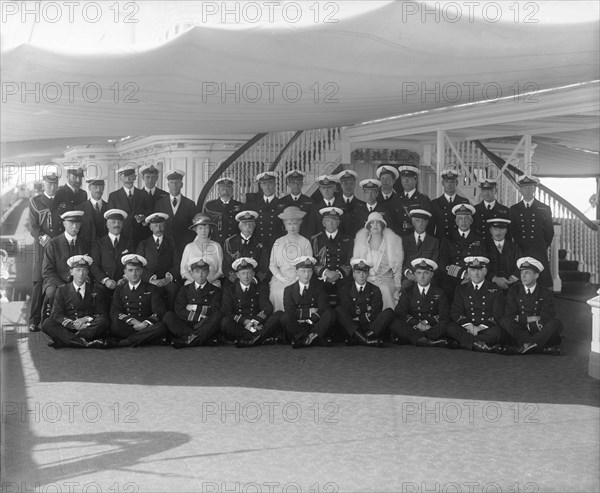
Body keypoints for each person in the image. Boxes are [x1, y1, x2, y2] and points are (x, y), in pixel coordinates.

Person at [41, 255, 109, 349]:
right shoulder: (62, 290)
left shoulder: (96, 290)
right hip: (69, 327)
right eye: (78, 270)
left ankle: (67, 340)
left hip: (87, 327)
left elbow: (101, 313)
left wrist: (85, 319)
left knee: (104, 321)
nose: (81, 274)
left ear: (88, 272)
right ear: (71, 272)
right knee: (47, 323)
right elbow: (57, 314)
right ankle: (85, 343)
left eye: (84, 270)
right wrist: (73, 325)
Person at [500, 257, 563, 355]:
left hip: (537, 328)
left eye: (527, 272)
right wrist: (533, 318)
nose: (523, 276)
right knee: (504, 321)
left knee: (556, 324)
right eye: (521, 273)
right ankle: (537, 345)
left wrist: (524, 320)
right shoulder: (514, 291)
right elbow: (510, 314)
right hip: (519, 329)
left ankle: (527, 344)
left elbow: (546, 317)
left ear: (536, 275)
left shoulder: (545, 293)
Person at [220, 257, 282, 347]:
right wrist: (244, 321)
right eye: (243, 273)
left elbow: (267, 308)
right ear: (237, 275)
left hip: (257, 323)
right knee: (225, 322)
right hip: (240, 325)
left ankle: (248, 339)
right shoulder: (229, 290)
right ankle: (258, 338)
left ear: (253, 274)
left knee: (279, 314)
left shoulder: (260, 288)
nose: (246, 276)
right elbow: (226, 311)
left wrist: (254, 322)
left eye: (249, 273)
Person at [390, 258, 452, 347]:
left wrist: (427, 323)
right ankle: (429, 340)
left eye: (426, 273)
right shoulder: (408, 291)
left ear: (432, 275)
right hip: (413, 326)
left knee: (447, 324)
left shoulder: (439, 292)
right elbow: (400, 311)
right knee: (394, 322)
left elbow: (444, 314)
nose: (422, 277)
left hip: (430, 327)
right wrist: (417, 324)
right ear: (414, 274)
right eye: (419, 273)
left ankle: (415, 339)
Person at [109, 254, 168, 347]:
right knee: (115, 326)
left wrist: (144, 324)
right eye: (130, 270)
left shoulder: (151, 288)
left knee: (161, 327)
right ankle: (147, 339)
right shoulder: (120, 289)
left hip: (146, 324)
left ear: (142, 271)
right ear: (125, 272)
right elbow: (115, 311)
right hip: (129, 324)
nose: (134, 274)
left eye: (137, 270)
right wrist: (133, 321)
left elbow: (159, 310)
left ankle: (128, 341)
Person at [447, 256, 504, 352]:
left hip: (486, 328)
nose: (476, 273)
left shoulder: (495, 289)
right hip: (467, 328)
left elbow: (498, 313)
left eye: (480, 269)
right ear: (468, 272)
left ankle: (468, 343)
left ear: (485, 271)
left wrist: (481, 327)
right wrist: (470, 326)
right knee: (450, 327)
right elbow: (456, 311)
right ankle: (480, 344)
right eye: (473, 270)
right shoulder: (461, 289)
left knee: (498, 332)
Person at [28, 167, 62, 331]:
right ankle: (34, 320)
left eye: (55, 184)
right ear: (44, 184)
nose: (52, 187)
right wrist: (45, 239)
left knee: (55, 281)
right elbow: (33, 227)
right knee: (38, 282)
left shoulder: (62, 201)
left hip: (59, 248)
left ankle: (49, 320)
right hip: (42, 248)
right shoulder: (35, 201)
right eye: (49, 184)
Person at [164, 257, 223, 348]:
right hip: (188, 324)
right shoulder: (184, 289)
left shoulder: (216, 290)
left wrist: (193, 307)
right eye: (197, 271)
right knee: (168, 316)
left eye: (204, 271)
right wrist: (199, 317)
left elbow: (214, 310)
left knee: (218, 316)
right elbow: (179, 310)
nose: (200, 274)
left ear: (208, 272)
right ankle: (200, 338)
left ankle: (188, 339)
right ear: (191, 273)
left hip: (205, 324)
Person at [335, 259, 394, 347]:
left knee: (389, 312)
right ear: (353, 274)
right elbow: (348, 310)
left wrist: (359, 317)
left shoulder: (375, 289)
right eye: (358, 272)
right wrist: (366, 308)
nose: (361, 276)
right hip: (352, 325)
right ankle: (366, 340)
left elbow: (376, 311)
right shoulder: (345, 289)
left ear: (368, 274)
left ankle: (359, 339)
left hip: (369, 326)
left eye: (364, 273)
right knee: (338, 310)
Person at [509, 174, 554, 287]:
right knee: (521, 283)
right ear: (520, 189)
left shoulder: (544, 208)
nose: (528, 190)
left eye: (530, 187)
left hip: (538, 250)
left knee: (541, 284)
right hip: (521, 250)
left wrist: (541, 246)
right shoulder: (514, 209)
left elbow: (549, 233)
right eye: (524, 187)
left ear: (534, 188)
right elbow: (511, 231)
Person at [352, 212, 403, 310]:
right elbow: (356, 265)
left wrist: (397, 285)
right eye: (372, 223)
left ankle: (386, 317)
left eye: (378, 222)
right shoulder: (362, 242)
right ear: (368, 226)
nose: (375, 225)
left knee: (384, 290)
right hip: (367, 279)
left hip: (386, 280)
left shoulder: (391, 242)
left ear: (382, 225)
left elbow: (397, 266)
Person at [283, 256, 336, 348]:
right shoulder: (289, 290)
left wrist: (311, 320)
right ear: (296, 271)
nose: (307, 275)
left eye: (309, 271)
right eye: (303, 271)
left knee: (330, 313)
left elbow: (323, 307)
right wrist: (310, 312)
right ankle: (314, 339)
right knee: (285, 316)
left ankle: (303, 340)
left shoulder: (319, 287)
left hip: (315, 324)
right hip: (298, 324)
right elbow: (289, 310)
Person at [268, 206, 313, 311]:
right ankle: (279, 319)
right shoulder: (278, 242)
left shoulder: (305, 242)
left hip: (301, 278)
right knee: (277, 292)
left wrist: (298, 278)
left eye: (295, 223)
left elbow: (309, 264)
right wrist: (281, 278)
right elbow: (272, 264)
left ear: (299, 224)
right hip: (281, 278)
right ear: (285, 225)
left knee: (298, 292)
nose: (292, 227)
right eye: (289, 224)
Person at [438, 204, 486, 301]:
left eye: (466, 218)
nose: (463, 221)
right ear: (456, 221)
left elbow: (484, 261)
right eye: (460, 218)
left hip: (473, 277)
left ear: (471, 221)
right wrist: (463, 274)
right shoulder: (448, 238)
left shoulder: (479, 239)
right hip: (451, 277)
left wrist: (471, 276)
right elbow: (442, 262)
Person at [41, 211, 86, 312]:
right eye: (71, 223)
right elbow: (47, 271)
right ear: (64, 224)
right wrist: (62, 286)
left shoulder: (84, 243)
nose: (75, 226)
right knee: (52, 292)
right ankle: (55, 319)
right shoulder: (53, 243)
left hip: (78, 280)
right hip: (56, 282)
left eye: (78, 223)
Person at [135, 212, 180, 310]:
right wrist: (152, 280)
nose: (158, 228)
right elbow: (138, 266)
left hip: (166, 279)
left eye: (161, 225)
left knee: (173, 289)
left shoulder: (171, 243)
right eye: (155, 225)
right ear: (150, 227)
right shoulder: (143, 244)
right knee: (153, 291)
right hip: (149, 280)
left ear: (165, 226)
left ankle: (169, 314)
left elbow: (177, 264)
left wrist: (168, 278)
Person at [311, 207, 353, 307]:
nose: (331, 223)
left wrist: (337, 274)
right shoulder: (316, 239)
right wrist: (326, 273)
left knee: (345, 301)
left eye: (334, 221)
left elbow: (350, 260)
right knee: (321, 301)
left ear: (338, 223)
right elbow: (313, 261)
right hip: (322, 277)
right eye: (328, 221)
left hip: (342, 278)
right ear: (323, 223)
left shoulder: (348, 239)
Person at [90, 209, 134, 304]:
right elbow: (94, 266)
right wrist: (106, 280)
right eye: (113, 222)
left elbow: (133, 264)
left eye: (119, 222)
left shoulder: (129, 242)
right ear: (107, 225)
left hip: (124, 283)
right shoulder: (98, 244)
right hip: (103, 284)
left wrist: (125, 278)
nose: (116, 225)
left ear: (122, 225)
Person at [154, 169, 198, 254]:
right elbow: (156, 224)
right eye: (172, 182)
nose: (174, 185)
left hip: (184, 245)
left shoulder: (190, 204)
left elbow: (194, 226)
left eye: (177, 182)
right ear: (168, 185)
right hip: (165, 245)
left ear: (181, 185)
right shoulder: (160, 203)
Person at [107, 166, 152, 247]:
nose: (128, 178)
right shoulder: (114, 196)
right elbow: (111, 219)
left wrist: (143, 218)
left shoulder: (143, 194)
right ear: (121, 178)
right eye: (125, 175)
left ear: (135, 177)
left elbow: (149, 214)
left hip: (141, 237)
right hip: (122, 237)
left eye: (130, 175)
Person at [222, 210, 269, 285]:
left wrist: (255, 279)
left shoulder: (261, 242)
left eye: (250, 224)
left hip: (254, 281)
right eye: (245, 224)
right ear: (239, 226)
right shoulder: (229, 242)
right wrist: (236, 280)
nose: (248, 227)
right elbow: (226, 266)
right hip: (234, 282)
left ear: (254, 226)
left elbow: (264, 266)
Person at [180, 214, 223, 287]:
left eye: (206, 228)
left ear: (210, 229)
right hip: (191, 284)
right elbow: (183, 271)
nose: (203, 231)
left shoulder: (216, 246)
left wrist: (210, 282)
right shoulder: (189, 247)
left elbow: (221, 270)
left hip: (212, 284)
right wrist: (195, 282)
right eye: (200, 228)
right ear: (196, 230)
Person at [401, 209, 440, 290]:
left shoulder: (434, 241)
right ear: (413, 222)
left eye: (423, 221)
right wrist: (407, 273)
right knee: (405, 285)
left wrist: (424, 275)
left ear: (427, 223)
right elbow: (400, 261)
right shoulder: (404, 240)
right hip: (409, 277)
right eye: (417, 221)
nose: (420, 224)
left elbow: (435, 263)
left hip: (427, 277)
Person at [429, 168, 470, 240]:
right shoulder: (434, 203)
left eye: (452, 181)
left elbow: (468, 225)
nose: (449, 184)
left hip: (458, 242)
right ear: (442, 183)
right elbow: (431, 228)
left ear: (456, 183)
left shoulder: (464, 202)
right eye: (447, 181)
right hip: (441, 243)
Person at [249, 171, 285, 251]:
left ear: (275, 184)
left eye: (270, 183)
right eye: (264, 184)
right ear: (261, 186)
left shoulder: (282, 204)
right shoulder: (254, 205)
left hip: (277, 246)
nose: (267, 187)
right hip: (259, 246)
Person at [202, 177, 244, 245]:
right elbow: (205, 226)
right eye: (223, 188)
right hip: (215, 242)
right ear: (218, 190)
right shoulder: (210, 206)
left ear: (232, 190)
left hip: (234, 243)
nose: (225, 191)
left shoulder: (240, 206)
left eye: (228, 188)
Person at [485, 217, 521, 293]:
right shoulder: (485, 247)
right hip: (490, 285)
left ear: (506, 230)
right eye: (495, 229)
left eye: (501, 229)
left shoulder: (514, 247)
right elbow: (481, 267)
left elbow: (521, 265)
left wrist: (511, 280)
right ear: (490, 230)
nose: (498, 232)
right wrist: (495, 279)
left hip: (512, 285)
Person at [473, 178, 509, 245]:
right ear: (481, 191)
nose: (487, 193)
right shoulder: (475, 210)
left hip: (497, 247)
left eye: (490, 190)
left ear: (496, 191)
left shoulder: (505, 211)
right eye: (484, 190)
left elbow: (508, 234)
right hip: (480, 246)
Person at [279, 170, 314, 238]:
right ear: (289, 184)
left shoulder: (310, 201)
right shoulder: (281, 202)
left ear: (302, 184)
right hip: (286, 239)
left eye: (298, 183)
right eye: (293, 183)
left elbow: (312, 223)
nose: (296, 185)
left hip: (304, 238)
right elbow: (279, 224)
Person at [77, 175, 108, 251]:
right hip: (86, 249)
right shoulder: (80, 208)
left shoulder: (109, 207)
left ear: (103, 188)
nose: (98, 190)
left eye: (101, 187)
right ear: (89, 188)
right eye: (95, 187)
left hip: (104, 249)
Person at [398, 165, 431, 232]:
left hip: (414, 237)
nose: (406, 180)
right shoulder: (396, 198)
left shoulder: (423, 199)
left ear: (416, 180)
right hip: (398, 236)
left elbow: (426, 222)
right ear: (401, 180)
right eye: (404, 178)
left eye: (409, 178)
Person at [376, 165, 406, 235]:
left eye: (388, 178)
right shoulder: (374, 199)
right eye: (382, 178)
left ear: (394, 181)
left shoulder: (402, 200)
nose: (385, 181)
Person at [337, 169, 365, 237]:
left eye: (351, 183)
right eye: (345, 183)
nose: (348, 186)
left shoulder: (363, 206)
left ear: (355, 185)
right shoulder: (334, 205)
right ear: (341, 185)